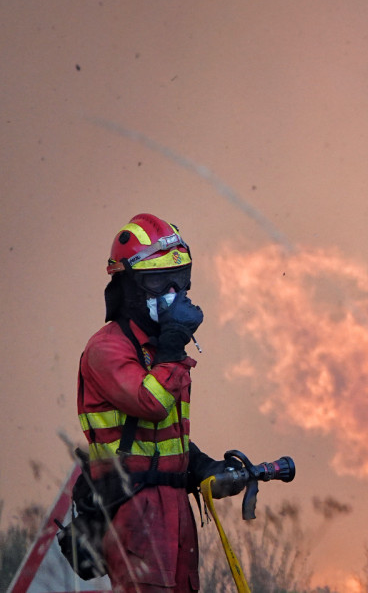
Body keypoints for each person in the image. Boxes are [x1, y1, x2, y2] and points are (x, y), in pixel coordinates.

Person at [77, 213, 237, 592]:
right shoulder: (108, 348)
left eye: (179, 278)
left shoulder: (159, 350)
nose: (172, 291)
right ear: (129, 285)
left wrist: (201, 465)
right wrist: (174, 346)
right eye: (158, 280)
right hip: (134, 509)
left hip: (174, 509)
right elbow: (150, 403)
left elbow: (157, 436)